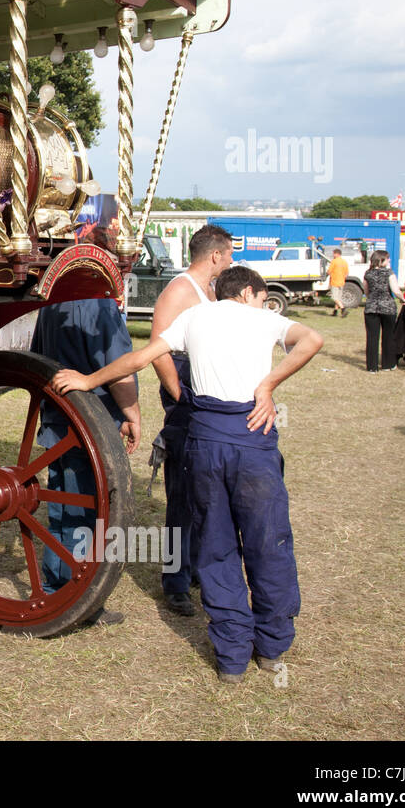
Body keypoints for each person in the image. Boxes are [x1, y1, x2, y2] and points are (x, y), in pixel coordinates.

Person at [51, 267, 324, 682]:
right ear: (249, 292)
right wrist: (267, 386)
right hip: (253, 437)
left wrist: (88, 379)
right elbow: (313, 340)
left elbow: (139, 359)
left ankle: (231, 658)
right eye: (261, 296)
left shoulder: (195, 317)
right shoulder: (264, 318)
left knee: (215, 546)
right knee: (268, 542)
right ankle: (271, 647)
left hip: (205, 437)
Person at [31, 284, 139, 627]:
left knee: (62, 508)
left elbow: (35, 358)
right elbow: (119, 367)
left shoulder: (52, 301)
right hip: (90, 425)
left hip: (56, 419)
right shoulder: (101, 304)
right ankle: (77, 600)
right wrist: (132, 414)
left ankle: (54, 585)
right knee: (87, 511)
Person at [150, 224, 233, 617]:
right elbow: (158, 347)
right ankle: (175, 582)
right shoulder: (180, 290)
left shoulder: (211, 291)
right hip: (186, 393)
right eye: (229, 254)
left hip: (205, 392)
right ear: (215, 255)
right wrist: (178, 395)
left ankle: (196, 566)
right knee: (181, 494)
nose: (231, 261)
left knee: (205, 487)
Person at [361, 249, 405, 372]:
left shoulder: (368, 273)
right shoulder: (389, 273)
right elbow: (395, 290)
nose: (389, 260)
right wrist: (402, 299)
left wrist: (371, 298)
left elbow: (366, 291)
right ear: (381, 260)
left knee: (372, 337)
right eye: (387, 258)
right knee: (388, 336)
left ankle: (372, 367)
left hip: (371, 308)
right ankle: (388, 364)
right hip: (388, 307)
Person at [328, 247, 350, 317]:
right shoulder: (344, 262)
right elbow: (346, 273)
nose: (333, 255)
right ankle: (335, 312)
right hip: (342, 282)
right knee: (338, 298)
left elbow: (329, 271)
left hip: (335, 281)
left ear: (336, 254)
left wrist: (328, 273)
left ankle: (343, 309)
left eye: (333, 254)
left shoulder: (334, 261)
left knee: (334, 298)